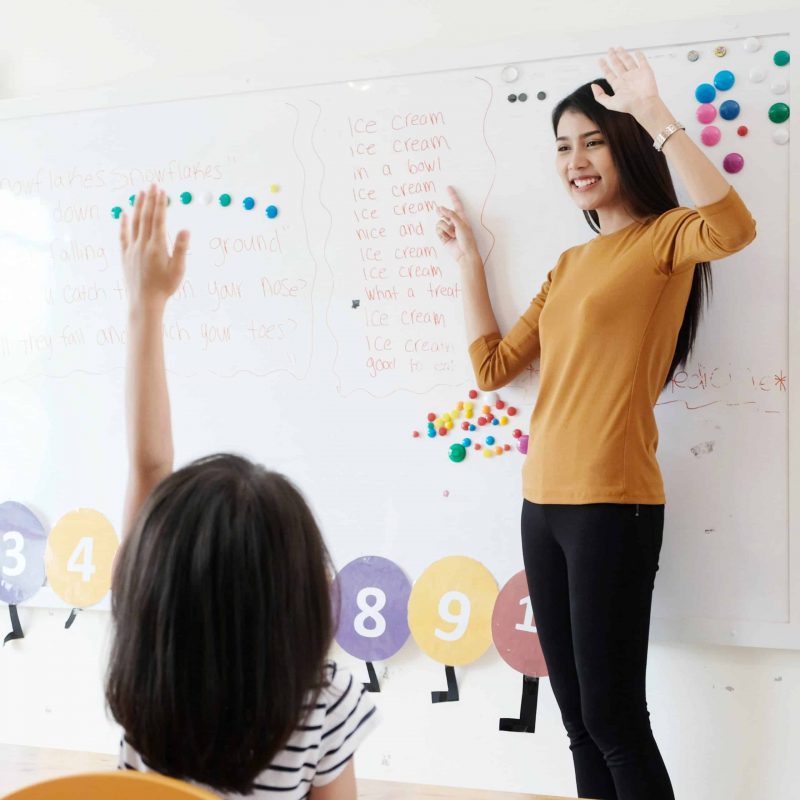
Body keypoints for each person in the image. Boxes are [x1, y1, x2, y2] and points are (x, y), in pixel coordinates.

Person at [436, 48, 755, 800]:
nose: (574, 161)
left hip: (614, 502)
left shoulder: (667, 238)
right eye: (562, 146)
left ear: (626, 147)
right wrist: (469, 265)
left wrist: (657, 115)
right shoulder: (571, 263)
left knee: (615, 718)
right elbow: (492, 368)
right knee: (578, 718)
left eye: (592, 141)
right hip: (541, 505)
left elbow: (734, 227)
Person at [106, 185, 378, 799]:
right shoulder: (322, 706)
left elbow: (149, 466)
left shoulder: (141, 663)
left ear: (152, 581)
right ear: (299, 597)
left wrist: (144, 305)